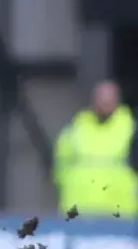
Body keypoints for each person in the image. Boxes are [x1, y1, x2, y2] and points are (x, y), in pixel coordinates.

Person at [55, 80, 137, 217]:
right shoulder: (77, 127)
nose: (105, 103)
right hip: (78, 212)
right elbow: (60, 165)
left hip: (121, 214)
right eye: (101, 99)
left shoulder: (131, 128)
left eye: (109, 99)